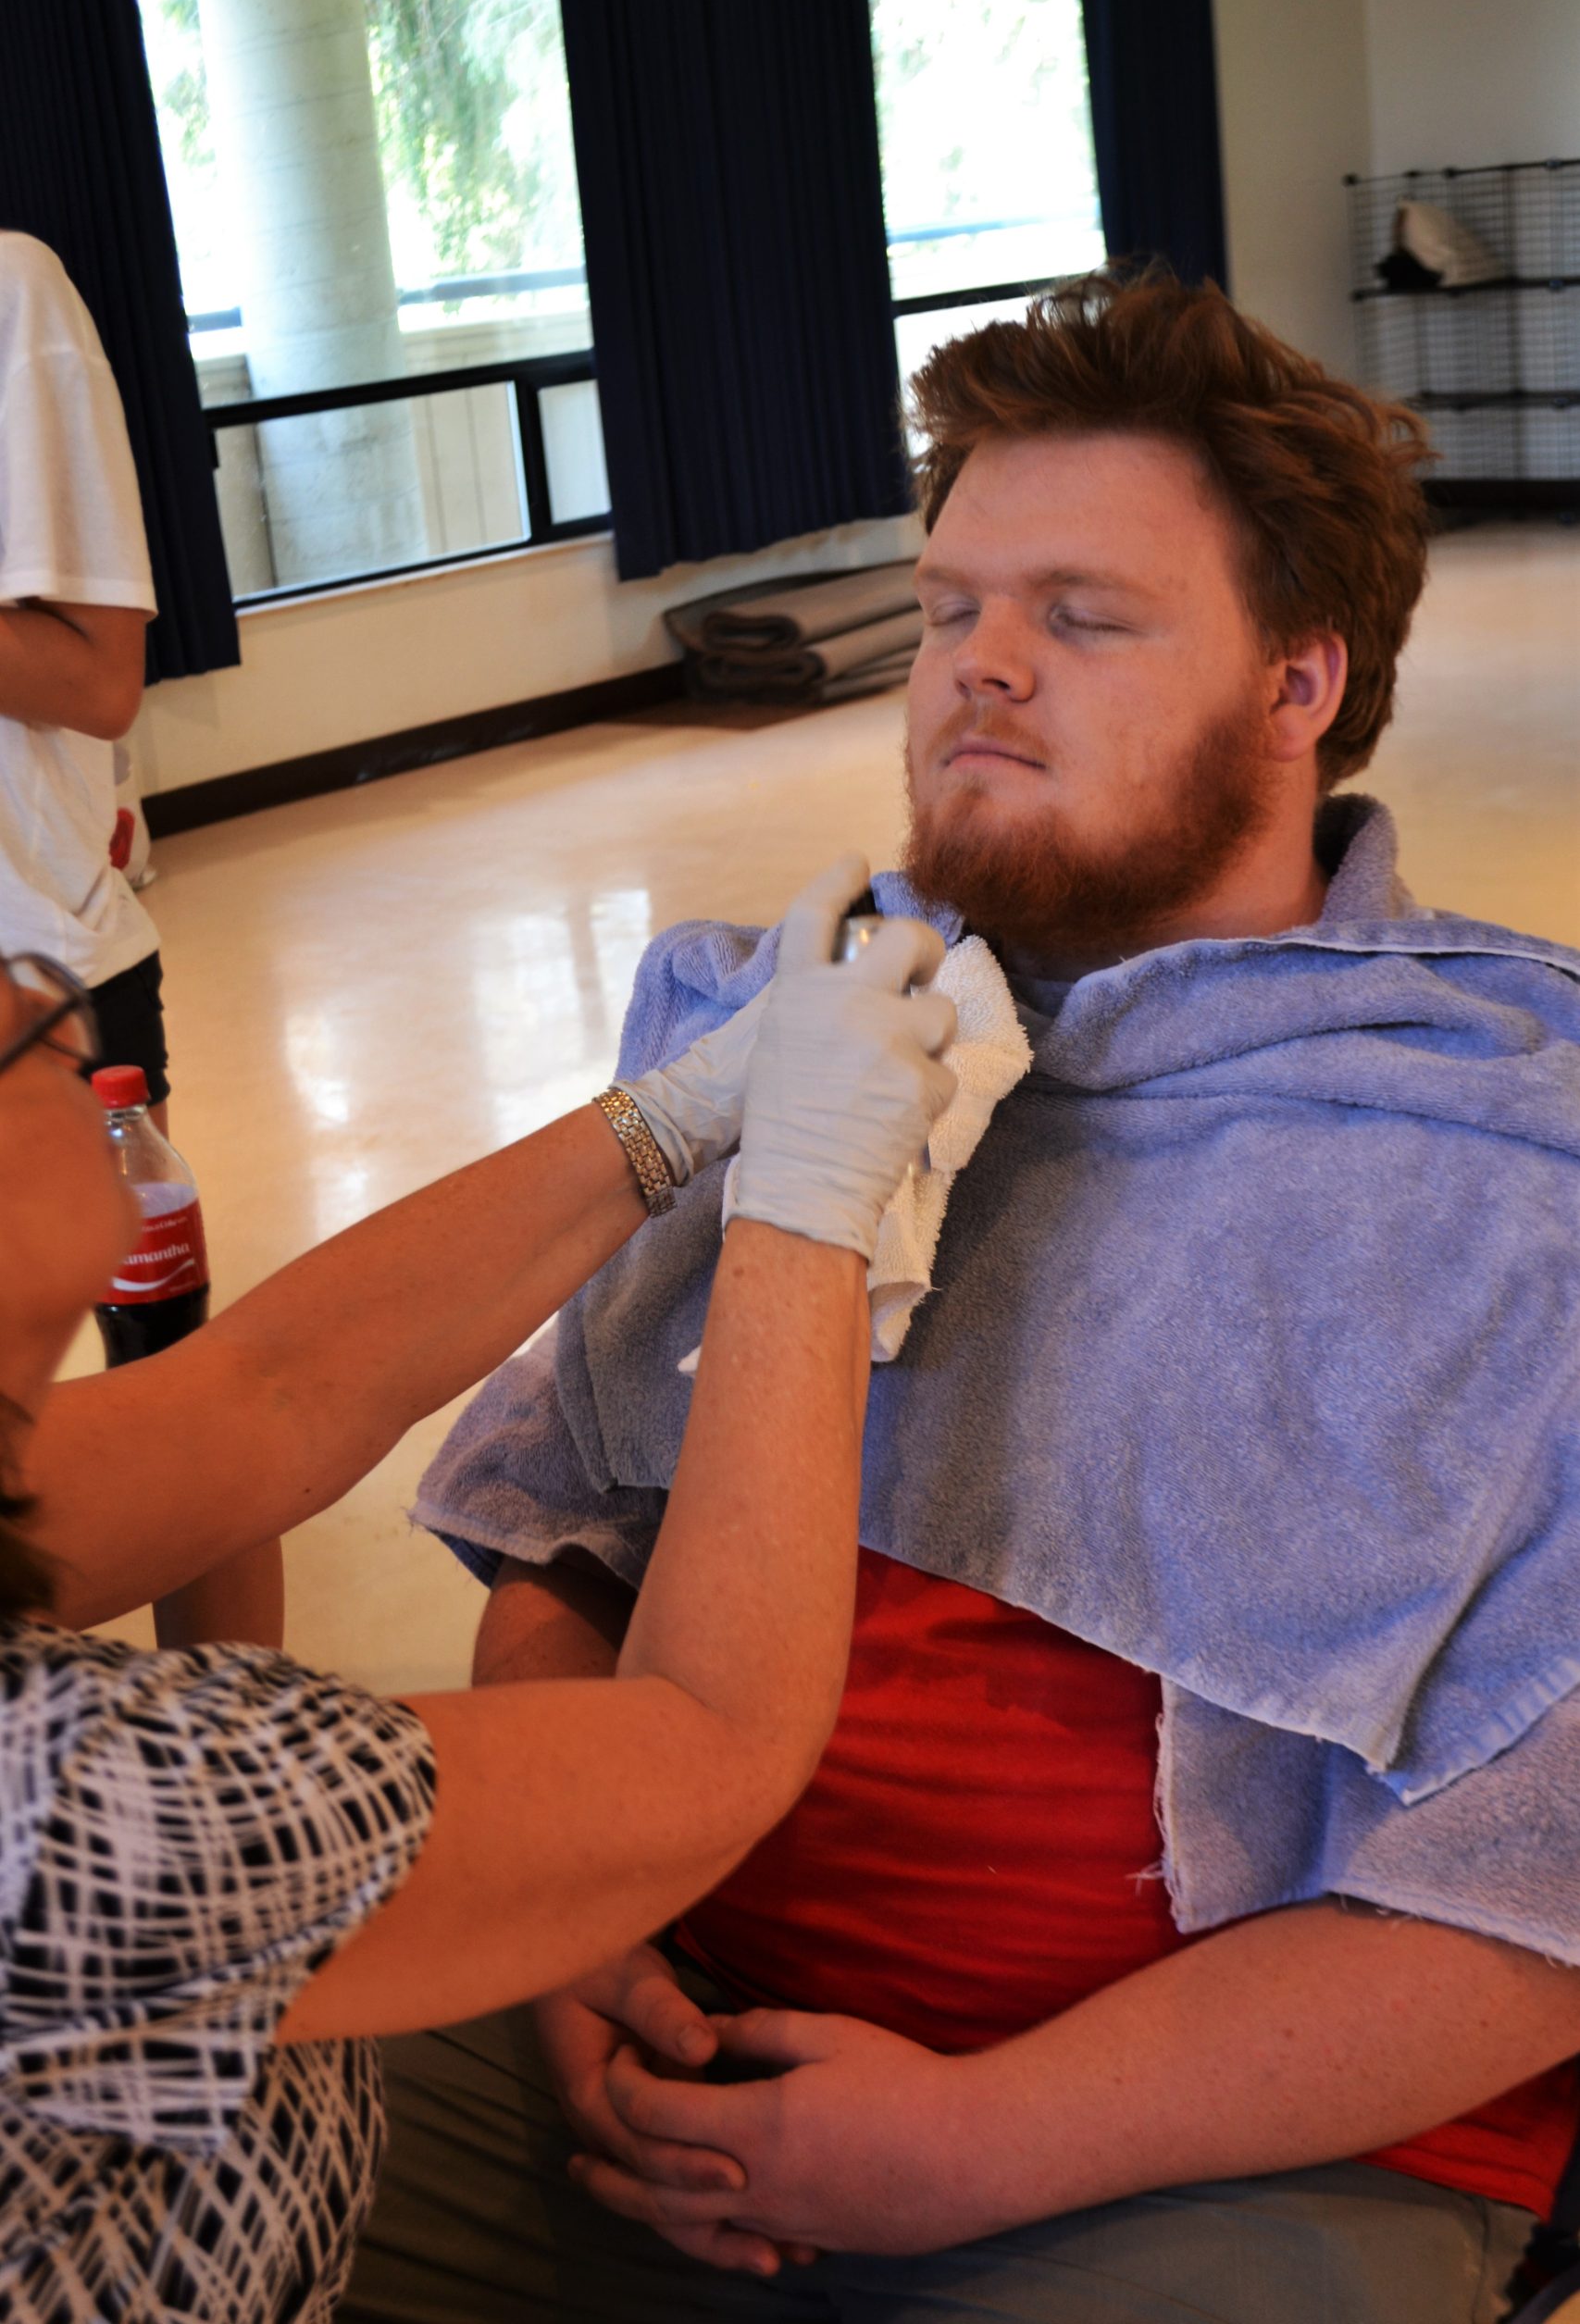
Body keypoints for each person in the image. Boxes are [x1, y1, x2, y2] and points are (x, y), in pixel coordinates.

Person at [349, 274, 1580, 2324]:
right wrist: (560, 1917)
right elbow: (564, 1534)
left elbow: (1542, 1867)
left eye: (1081, 617)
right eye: (948, 610)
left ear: (1298, 682)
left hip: (1205, 2140)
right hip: (650, 2007)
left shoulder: (1501, 1160)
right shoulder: (795, 1029)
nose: (977, 668)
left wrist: (985, 2141)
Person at [0, 859, 955, 2321]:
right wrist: (810, 1206)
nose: (57, 1008)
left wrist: (677, 1114)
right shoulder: (83, 1808)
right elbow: (710, 1735)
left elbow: (268, 1396)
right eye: (12, 1022)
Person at [0, 227, 282, 1648]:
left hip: (36, 974)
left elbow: (100, 676)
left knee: (168, 1393)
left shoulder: (12, 290)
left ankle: (240, 1739)